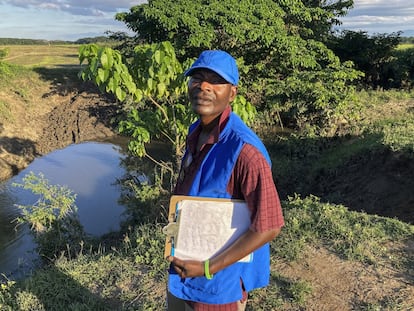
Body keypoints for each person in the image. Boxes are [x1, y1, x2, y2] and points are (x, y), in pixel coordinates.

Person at [167, 50, 284, 311]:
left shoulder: (245, 152)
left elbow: (269, 226)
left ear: (232, 92)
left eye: (216, 80)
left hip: (218, 284)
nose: (204, 86)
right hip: (184, 265)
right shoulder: (196, 131)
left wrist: (207, 268)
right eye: (197, 78)